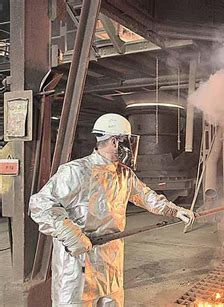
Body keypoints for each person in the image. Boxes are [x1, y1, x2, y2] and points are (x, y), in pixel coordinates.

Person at [29, 113, 195, 307]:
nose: (131, 147)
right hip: (78, 264)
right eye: (128, 141)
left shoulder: (124, 174)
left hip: (110, 260)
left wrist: (174, 211)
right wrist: (71, 234)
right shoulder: (75, 171)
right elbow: (40, 204)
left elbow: (146, 196)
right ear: (116, 142)